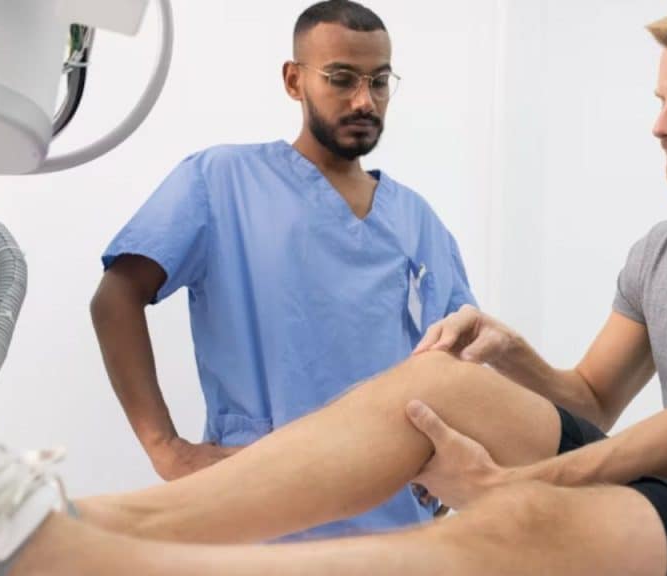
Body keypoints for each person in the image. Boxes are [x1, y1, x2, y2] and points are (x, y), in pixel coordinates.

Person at [0, 1, 667, 574]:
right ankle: (68, 530)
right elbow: (588, 403)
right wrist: (510, 353)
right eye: (660, 100)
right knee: (437, 389)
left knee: (522, 523)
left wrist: (518, 482)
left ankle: (108, 565)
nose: (660, 125)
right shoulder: (661, 248)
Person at [89, 0, 475, 539]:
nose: (365, 100)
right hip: (259, 511)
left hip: (396, 529)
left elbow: (462, 360)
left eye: (380, 82)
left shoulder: (418, 221)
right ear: (294, 81)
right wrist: (166, 449)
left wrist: (455, 451)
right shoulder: (222, 181)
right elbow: (115, 299)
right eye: (341, 79)